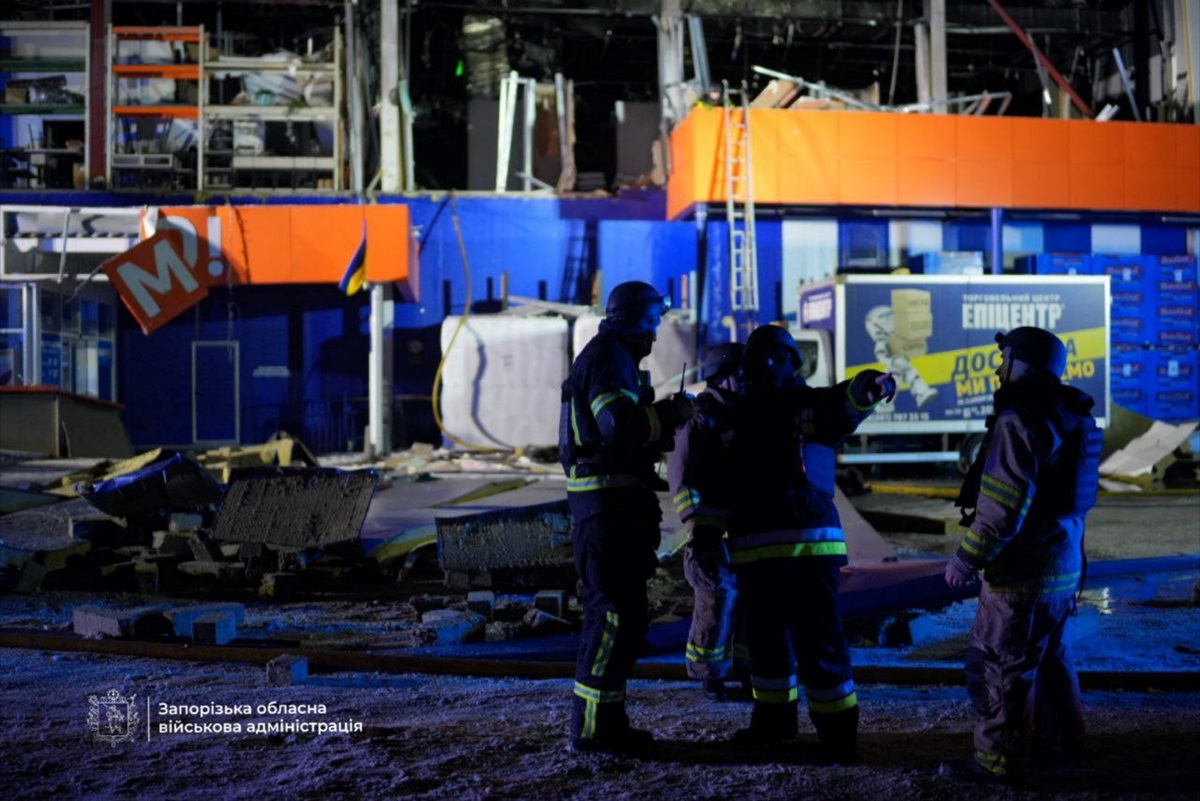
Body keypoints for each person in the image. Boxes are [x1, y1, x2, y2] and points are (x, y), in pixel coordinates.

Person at [724, 324, 895, 762]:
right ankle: (773, 723)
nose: (759, 367)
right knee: (766, 647)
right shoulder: (739, 412)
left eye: (768, 357)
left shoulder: (808, 406)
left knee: (819, 643)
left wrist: (870, 385)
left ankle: (838, 736)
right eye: (754, 358)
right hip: (756, 553)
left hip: (807, 550)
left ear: (789, 362)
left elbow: (845, 401)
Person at [940, 326, 1102, 786]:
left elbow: (1001, 508)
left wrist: (965, 560)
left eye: (1003, 359)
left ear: (1021, 364)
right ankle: (1060, 751)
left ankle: (998, 763)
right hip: (1062, 567)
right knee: (1051, 662)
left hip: (1021, 572)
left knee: (1001, 666)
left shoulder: (1020, 420)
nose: (997, 369)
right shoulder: (1072, 416)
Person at [558, 280, 695, 757]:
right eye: (651, 323)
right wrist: (670, 414)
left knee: (624, 619)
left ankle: (609, 725)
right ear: (633, 320)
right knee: (613, 618)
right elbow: (618, 426)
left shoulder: (610, 356)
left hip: (613, 509)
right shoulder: (610, 357)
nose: (654, 334)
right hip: (607, 512)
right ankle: (591, 731)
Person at [667, 342, 750, 701]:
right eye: (741, 373)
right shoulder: (700, 418)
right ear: (722, 376)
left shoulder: (742, 414)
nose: (748, 380)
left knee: (747, 605)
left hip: (745, 530)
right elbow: (681, 475)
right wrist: (694, 525)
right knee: (715, 603)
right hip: (711, 535)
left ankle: (748, 673)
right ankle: (710, 676)